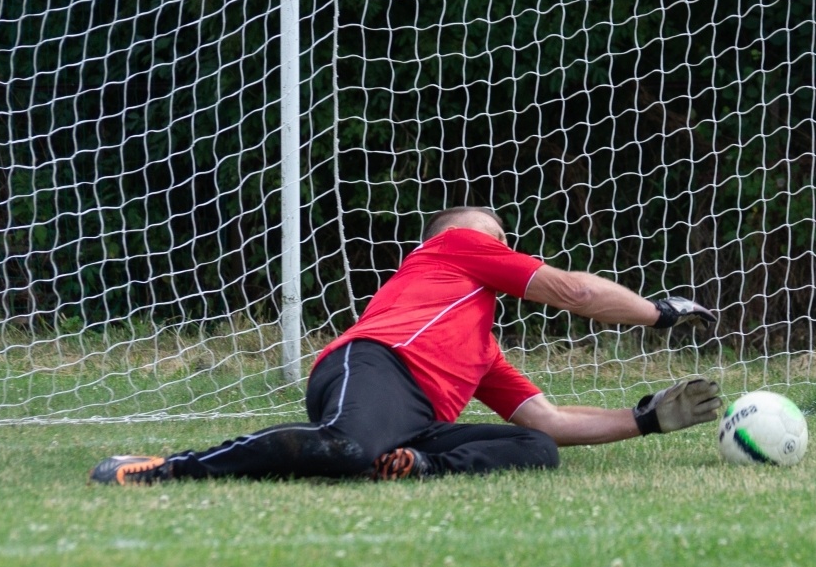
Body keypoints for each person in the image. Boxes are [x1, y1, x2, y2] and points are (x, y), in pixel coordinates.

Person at [89, 206, 720, 484]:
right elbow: (575, 295)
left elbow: (550, 421)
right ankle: (168, 468)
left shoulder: (479, 346)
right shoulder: (450, 248)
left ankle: (410, 468)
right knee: (345, 445)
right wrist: (656, 313)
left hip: (412, 425)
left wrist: (646, 420)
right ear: (448, 238)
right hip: (375, 368)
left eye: (502, 237)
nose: (498, 243)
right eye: (491, 234)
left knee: (534, 448)